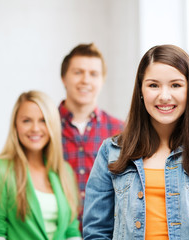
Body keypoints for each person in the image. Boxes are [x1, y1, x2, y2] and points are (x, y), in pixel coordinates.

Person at [82, 44, 189, 239]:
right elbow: (96, 231)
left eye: (176, 85)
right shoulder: (111, 152)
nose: (164, 96)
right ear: (141, 90)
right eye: (153, 85)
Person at [0, 91, 81, 240]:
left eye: (43, 120)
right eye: (26, 121)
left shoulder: (65, 171)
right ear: (15, 125)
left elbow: (72, 231)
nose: (35, 128)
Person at [59, 43, 124, 224]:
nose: (85, 80)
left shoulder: (121, 131)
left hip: (105, 232)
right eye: (78, 72)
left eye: (93, 74)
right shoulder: (43, 128)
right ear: (64, 78)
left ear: (102, 80)